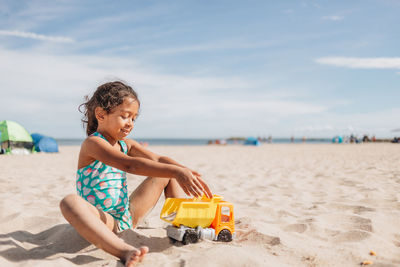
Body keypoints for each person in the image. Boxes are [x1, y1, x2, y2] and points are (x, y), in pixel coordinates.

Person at [59, 81, 212, 267]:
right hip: (105, 220)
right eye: (125, 116)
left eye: (134, 118)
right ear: (101, 114)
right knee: (69, 202)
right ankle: (123, 251)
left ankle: (184, 226)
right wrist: (176, 171)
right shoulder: (93, 144)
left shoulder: (126, 144)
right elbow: (129, 165)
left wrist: (184, 171)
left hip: (127, 215)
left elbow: (158, 160)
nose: (130, 123)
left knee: (165, 172)